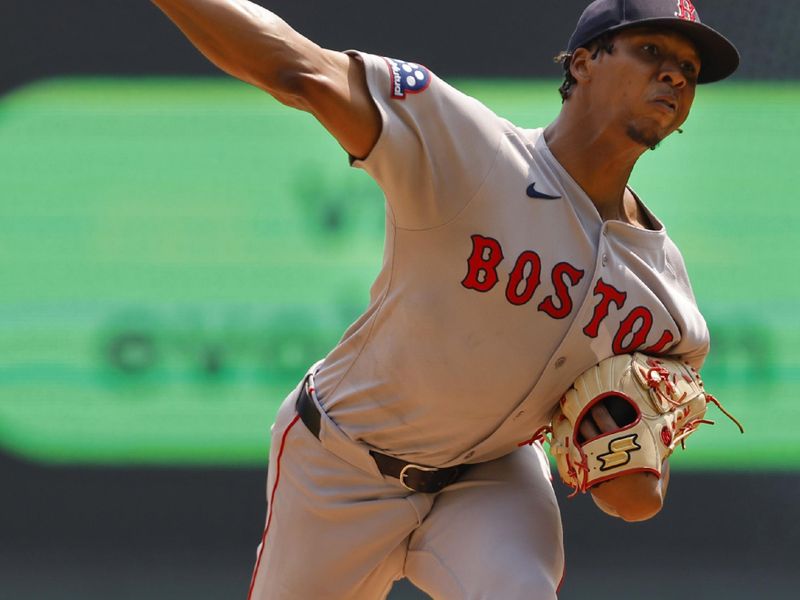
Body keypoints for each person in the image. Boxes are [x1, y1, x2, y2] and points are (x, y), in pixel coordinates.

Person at [150, 1, 739, 598]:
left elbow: (632, 501)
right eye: (651, 51)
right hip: (341, 464)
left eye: (689, 68)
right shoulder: (472, 152)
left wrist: (627, 459)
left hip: (490, 478)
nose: (674, 75)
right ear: (583, 63)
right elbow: (298, 69)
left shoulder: (667, 301)